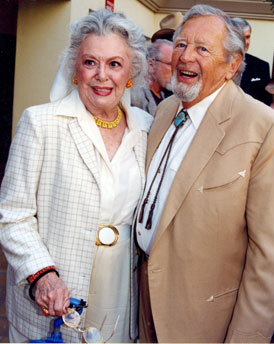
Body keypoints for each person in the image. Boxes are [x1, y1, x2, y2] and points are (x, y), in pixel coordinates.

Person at [0, 9, 153, 343]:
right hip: (56, 294)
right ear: (74, 68)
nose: (102, 76)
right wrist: (42, 275)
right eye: (90, 63)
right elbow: (12, 214)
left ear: (131, 72)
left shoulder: (147, 128)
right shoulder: (41, 123)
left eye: (114, 64)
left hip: (122, 291)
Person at [135, 4, 274, 343]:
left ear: (232, 65)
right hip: (145, 310)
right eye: (181, 44)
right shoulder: (165, 110)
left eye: (203, 48)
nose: (187, 56)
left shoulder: (264, 129)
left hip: (204, 324)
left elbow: (269, 263)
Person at [232, 17, 272, 105]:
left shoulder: (262, 66)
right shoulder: (218, 63)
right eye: (241, 37)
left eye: (247, 37)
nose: (246, 42)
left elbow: (266, 102)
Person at [131, 39, 173, 116]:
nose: (175, 72)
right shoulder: (135, 97)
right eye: (171, 65)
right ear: (151, 64)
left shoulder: (167, 98)